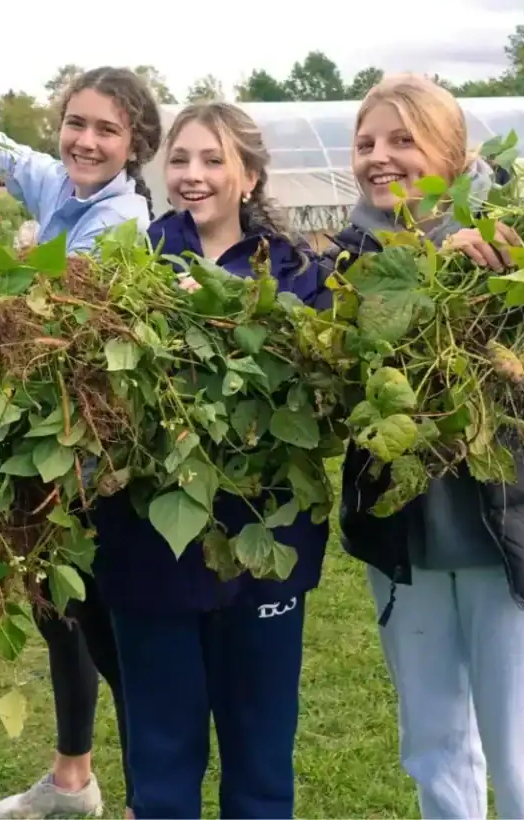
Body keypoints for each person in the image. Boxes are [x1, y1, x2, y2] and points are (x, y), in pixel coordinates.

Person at [329, 73, 524, 820]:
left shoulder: (522, 237)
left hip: (516, 543)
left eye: (404, 139)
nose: (380, 157)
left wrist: (521, 302)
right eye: (367, 141)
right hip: (408, 545)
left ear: (454, 152)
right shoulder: (346, 265)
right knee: (434, 748)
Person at [92, 102, 331, 820]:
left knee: (261, 760)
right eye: (181, 159)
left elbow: (314, 398)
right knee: (161, 764)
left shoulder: (298, 275)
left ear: (249, 176)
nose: (192, 176)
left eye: (213, 159)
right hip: (148, 548)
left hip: (264, 540)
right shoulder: (128, 265)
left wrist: (234, 317)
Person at [0, 67, 163, 820]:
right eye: (77, 123)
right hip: (46, 444)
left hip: (90, 455)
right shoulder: (61, 183)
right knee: (58, 611)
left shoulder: (120, 217)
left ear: (135, 145)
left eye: (107, 130)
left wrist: (22, 258)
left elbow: (46, 300)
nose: (86, 140)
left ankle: (151, 796)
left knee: (104, 626)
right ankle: (71, 782)